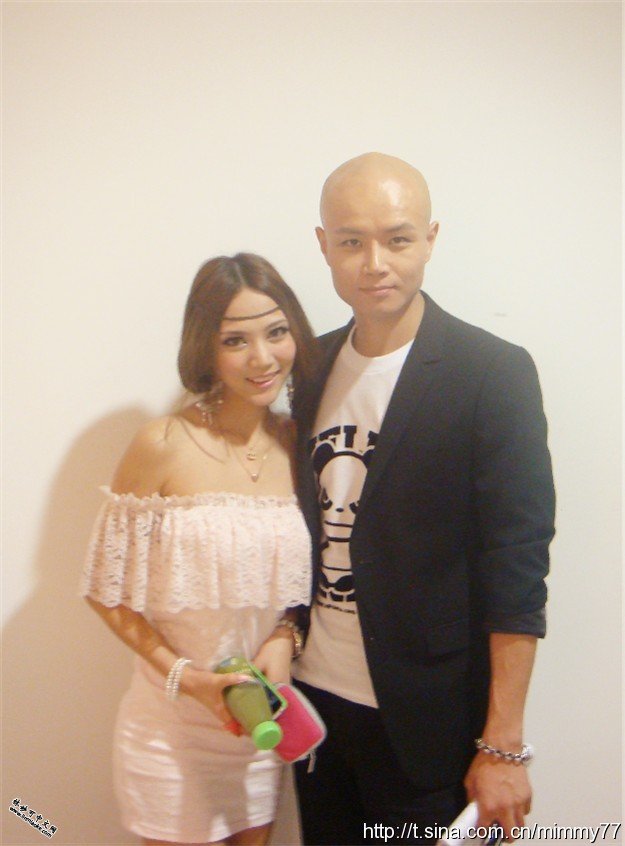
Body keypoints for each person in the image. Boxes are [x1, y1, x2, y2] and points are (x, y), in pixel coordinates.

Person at [291, 153, 556, 845]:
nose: (374, 262)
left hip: (429, 724)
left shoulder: (491, 372)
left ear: (430, 239)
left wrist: (503, 745)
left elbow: (517, 565)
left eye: (398, 239)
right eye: (351, 241)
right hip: (315, 706)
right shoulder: (307, 367)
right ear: (323, 245)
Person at [80, 253, 317, 846]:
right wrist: (188, 681)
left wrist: (284, 636)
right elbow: (106, 594)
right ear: (205, 348)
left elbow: (297, 583)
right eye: (236, 340)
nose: (262, 358)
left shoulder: (297, 442)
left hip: (258, 728)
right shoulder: (162, 443)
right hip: (172, 731)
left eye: (276, 332)